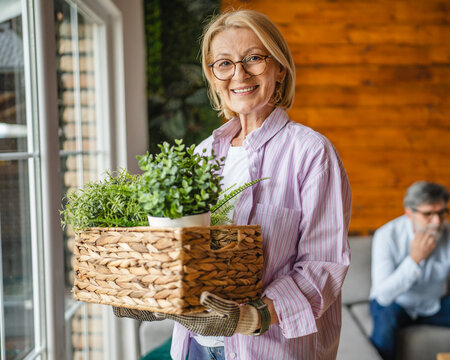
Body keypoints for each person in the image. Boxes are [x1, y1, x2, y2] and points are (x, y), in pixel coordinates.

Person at [115, 9, 352, 360]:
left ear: (279, 68)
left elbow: (323, 264)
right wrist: (155, 292)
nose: (238, 74)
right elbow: (185, 251)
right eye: (223, 63)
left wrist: (254, 316)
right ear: (213, 77)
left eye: (253, 58)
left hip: (269, 350)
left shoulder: (311, 153)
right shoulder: (201, 154)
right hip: (195, 345)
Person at [368, 181, 450, 360]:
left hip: (434, 303)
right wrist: (415, 259)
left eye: (441, 213)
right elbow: (384, 295)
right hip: (395, 302)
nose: (437, 221)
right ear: (409, 213)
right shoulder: (386, 235)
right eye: (428, 214)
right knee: (385, 323)